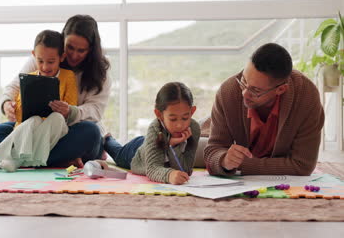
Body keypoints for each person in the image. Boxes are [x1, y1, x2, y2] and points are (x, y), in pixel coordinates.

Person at [0, 15, 111, 167]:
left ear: (91, 49)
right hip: (36, 126)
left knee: (91, 132)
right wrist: (7, 103)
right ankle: (59, 159)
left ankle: (15, 157)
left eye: (81, 50)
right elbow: (14, 86)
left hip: (72, 128)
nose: (74, 55)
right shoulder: (45, 57)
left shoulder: (100, 72)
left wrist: (70, 111)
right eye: (70, 48)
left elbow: (96, 110)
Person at [204, 43, 324, 176]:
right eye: (244, 81)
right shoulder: (228, 91)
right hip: (206, 131)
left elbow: (303, 165)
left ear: (281, 89)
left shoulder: (306, 96)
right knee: (189, 147)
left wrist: (243, 164)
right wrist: (224, 160)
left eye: (255, 90)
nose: (245, 93)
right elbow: (212, 152)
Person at [0, 30, 78, 173]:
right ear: (33, 56)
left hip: (56, 127)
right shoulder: (28, 78)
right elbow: (19, 118)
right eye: (40, 61)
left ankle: (7, 157)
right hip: (29, 127)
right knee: (33, 120)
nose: (45, 67)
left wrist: (64, 108)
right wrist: (14, 108)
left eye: (51, 62)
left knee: (57, 118)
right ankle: (8, 160)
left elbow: (71, 109)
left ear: (61, 57)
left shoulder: (68, 77)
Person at [103, 82, 200, 185]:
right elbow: (152, 169)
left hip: (151, 141)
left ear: (192, 111)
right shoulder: (155, 127)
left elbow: (186, 169)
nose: (180, 125)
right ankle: (107, 140)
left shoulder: (194, 128)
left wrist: (173, 145)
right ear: (159, 115)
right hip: (136, 151)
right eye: (173, 119)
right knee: (118, 154)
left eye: (185, 118)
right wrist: (169, 175)